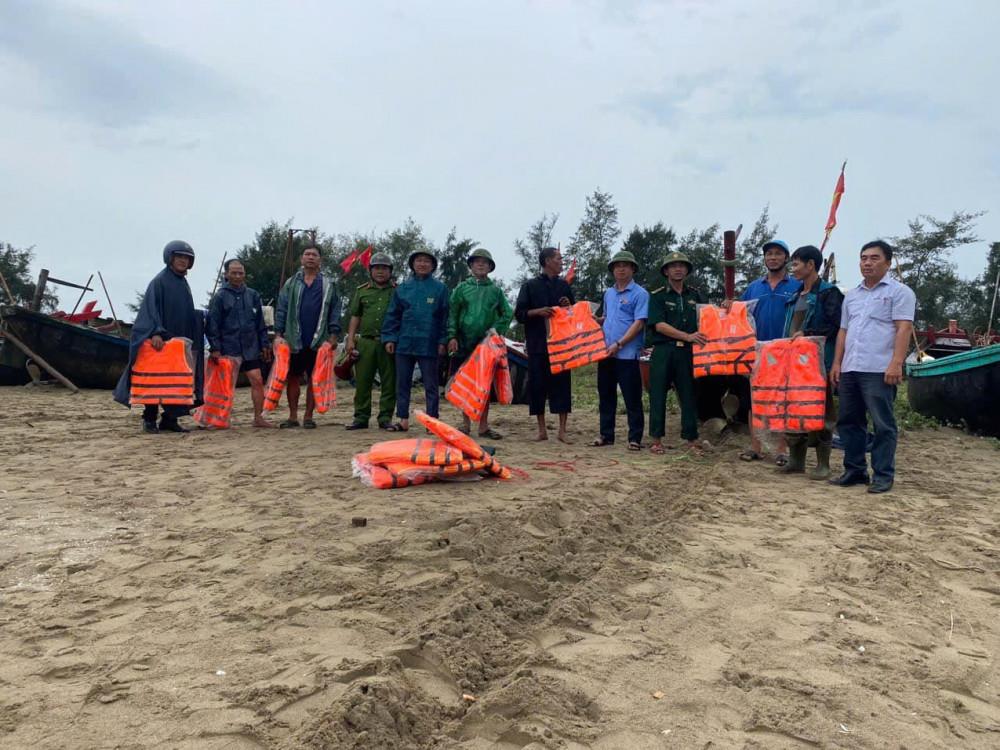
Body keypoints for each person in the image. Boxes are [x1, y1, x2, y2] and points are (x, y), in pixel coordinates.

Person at [830, 240, 915, 494]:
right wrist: (837, 363)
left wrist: (896, 363)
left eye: (874, 258)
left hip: (879, 368)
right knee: (849, 421)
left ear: (888, 263)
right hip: (850, 367)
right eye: (864, 258)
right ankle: (855, 470)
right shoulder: (852, 296)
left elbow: (903, 328)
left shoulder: (900, 293)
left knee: (882, 423)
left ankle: (883, 475)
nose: (867, 262)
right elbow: (844, 331)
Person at [113, 240, 204, 434]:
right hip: (161, 342)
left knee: (177, 382)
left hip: (179, 343)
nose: (182, 261)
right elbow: (150, 308)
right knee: (155, 380)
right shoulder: (160, 281)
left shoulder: (182, 282)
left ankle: (170, 419)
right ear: (170, 258)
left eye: (186, 258)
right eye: (179, 256)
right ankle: (149, 419)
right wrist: (155, 331)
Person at [779, 245, 845, 478]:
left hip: (818, 362)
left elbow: (835, 325)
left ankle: (823, 464)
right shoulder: (795, 295)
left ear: (810, 265)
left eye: (796, 264)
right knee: (794, 410)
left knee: (822, 411)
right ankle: (796, 460)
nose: (793, 268)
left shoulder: (829, 293)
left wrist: (807, 333)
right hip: (793, 363)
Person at [738, 239, 802, 465]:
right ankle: (755, 446)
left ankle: (781, 449)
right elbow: (741, 316)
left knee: (783, 400)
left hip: (786, 352)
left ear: (786, 258)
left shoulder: (796, 286)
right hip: (757, 351)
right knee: (754, 400)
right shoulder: (754, 288)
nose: (772, 258)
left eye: (777, 254)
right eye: (769, 254)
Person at [447, 248, 514, 439]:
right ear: (471, 265)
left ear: (490, 267)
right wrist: (452, 336)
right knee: (463, 384)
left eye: (485, 262)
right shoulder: (461, 289)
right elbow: (452, 313)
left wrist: (495, 331)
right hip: (463, 342)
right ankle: (465, 424)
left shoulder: (495, 291)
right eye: (477, 261)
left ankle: (483, 427)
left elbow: (508, 313)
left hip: (486, 346)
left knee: (483, 385)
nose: (481, 264)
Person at [381, 250, 449, 432]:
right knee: (402, 383)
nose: (422, 264)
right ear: (412, 264)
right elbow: (393, 316)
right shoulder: (402, 288)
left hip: (429, 343)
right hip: (404, 343)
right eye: (419, 261)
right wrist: (389, 338)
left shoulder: (440, 289)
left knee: (431, 385)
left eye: (427, 261)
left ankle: (432, 421)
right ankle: (402, 419)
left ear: (433, 266)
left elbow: (445, 317)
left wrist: (443, 340)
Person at [274, 245, 341, 429]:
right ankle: (293, 416)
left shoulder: (328, 284)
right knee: (294, 377)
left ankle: (308, 416)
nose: (310, 257)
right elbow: (282, 308)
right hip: (294, 338)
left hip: (319, 340)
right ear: (301, 259)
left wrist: (334, 334)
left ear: (320, 260)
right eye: (307, 254)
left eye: (314, 255)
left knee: (314, 377)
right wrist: (278, 333)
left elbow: (335, 310)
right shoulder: (291, 283)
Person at [646, 251, 706, 454]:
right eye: (673, 266)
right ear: (666, 271)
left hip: (687, 353)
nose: (678, 269)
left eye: (682, 265)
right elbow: (659, 325)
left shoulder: (695, 295)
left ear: (687, 270)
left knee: (689, 395)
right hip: (663, 351)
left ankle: (691, 439)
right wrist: (686, 336)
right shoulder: (657, 296)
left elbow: (707, 318)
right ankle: (656, 440)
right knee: (657, 395)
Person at [514, 246, 575, 443]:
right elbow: (520, 314)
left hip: (561, 345)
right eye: (558, 258)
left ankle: (563, 430)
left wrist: (568, 306)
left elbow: (573, 315)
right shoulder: (529, 286)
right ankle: (542, 430)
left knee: (562, 386)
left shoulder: (564, 286)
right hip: (538, 344)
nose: (561, 262)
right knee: (538, 386)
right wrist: (537, 312)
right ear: (547, 261)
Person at [206, 259, 273, 427]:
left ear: (244, 274)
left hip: (250, 347)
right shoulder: (219, 297)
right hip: (228, 347)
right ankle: (220, 418)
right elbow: (212, 324)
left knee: (257, 380)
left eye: (240, 273)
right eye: (233, 273)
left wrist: (264, 344)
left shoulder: (253, 295)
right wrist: (215, 348)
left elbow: (260, 323)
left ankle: (259, 418)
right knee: (224, 386)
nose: (237, 276)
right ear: (226, 274)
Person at [592, 250, 648, 450]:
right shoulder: (608, 293)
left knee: (632, 397)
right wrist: (597, 321)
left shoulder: (641, 294)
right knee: (606, 396)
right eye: (617, 266)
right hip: (606, 353)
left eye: (625, 265)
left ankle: (635, 438)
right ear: (613, 270)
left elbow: (639, 323)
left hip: (627, 354)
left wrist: (620, 344)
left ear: (633, 269)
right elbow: (607, 317)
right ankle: (606, 435)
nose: (621, 269)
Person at [343, 253, 397, 431]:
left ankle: (385, 417)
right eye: (376, 268)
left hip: (389, 342)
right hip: (365, 342)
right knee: (363, 382)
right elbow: (355, 316)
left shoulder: (397, 291)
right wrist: (351, 339)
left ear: (390, 271)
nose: (380, 272)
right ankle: (361, 417)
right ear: (370, 271)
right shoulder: (362, 290)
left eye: (384, 268)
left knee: (389, 382)